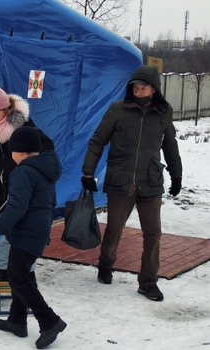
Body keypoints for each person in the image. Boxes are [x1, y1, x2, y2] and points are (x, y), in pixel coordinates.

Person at [81, 65, 183, 302]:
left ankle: (148, 282)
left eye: (143, 87)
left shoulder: (163, 112)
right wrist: (88, 172)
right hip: (121, 180)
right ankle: (105, 266)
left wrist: (176, 175)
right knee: (115, 229)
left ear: (154, 89)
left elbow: (170, 144)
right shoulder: (118, 109)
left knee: (154, 233)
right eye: (135, 87)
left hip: (151, 180)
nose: (138, 91)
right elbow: (98, 141)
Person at [0, 126, 66, 349]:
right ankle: (17, 320)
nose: (11, 155)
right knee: (22, 275)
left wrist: (0, 227)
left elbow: (17, 206)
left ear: (21, 152)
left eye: (12, 150)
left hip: (27, 233)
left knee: (18, 278)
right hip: (37, 230)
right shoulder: (44, 169)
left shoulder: (23, 172)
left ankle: (49, 321)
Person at [0, 83, 55, 281]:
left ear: (6, 108)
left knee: (22, 236)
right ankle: (3, 272)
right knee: (1, 237)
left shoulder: (25, 126)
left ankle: (27, 273)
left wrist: (26, 168)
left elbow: (46, 147)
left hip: (21, 191)